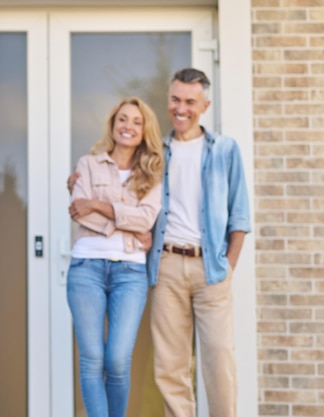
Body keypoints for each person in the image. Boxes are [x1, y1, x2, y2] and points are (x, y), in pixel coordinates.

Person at [144, 68, 251, 417]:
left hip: (212, 267)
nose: (181, 108)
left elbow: (240, 217)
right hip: (167, 266)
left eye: (190, 101)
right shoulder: (155, 151)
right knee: (171, 365)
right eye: (175, 99)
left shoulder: (225, 150)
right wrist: (79, 178)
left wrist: (227, 267)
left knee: (219, 357)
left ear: (204, 105)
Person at [67, 97, 164, 417]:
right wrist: (128, 224)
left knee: (118, 360)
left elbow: (147, 219)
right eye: (123, 119)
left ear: (144, 130)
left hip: (130, 274)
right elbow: (80, 212)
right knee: (92, 359)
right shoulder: (87, 164)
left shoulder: (151, 173)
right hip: (86, 268)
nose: (128, 127)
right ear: (112, 125)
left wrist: (100, 207)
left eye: (137, 122)